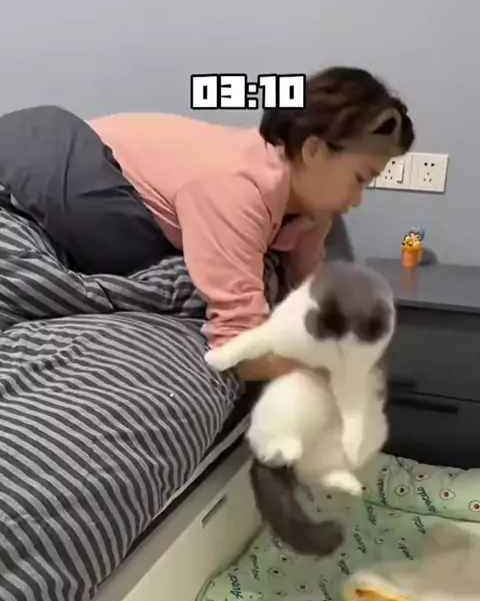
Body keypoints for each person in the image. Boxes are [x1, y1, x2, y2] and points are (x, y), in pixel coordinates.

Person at [90, 67, 414, 380]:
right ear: (315, 150)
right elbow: (239, 345)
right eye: (360, 178)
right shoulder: (236, 190)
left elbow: (307, 291)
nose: (357, 201)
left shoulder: (312, 206)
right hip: (87, 164)